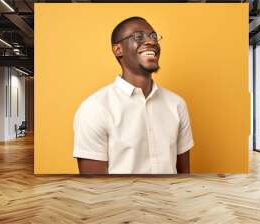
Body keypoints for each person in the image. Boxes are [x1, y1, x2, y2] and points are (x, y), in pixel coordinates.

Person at [73, 16, 194, 174]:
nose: (151, 41)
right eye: (139, 36)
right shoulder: (94, 109)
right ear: (118, 50)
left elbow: (184, 175)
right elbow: (94, 186)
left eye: (154, 36)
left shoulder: (177, 104)